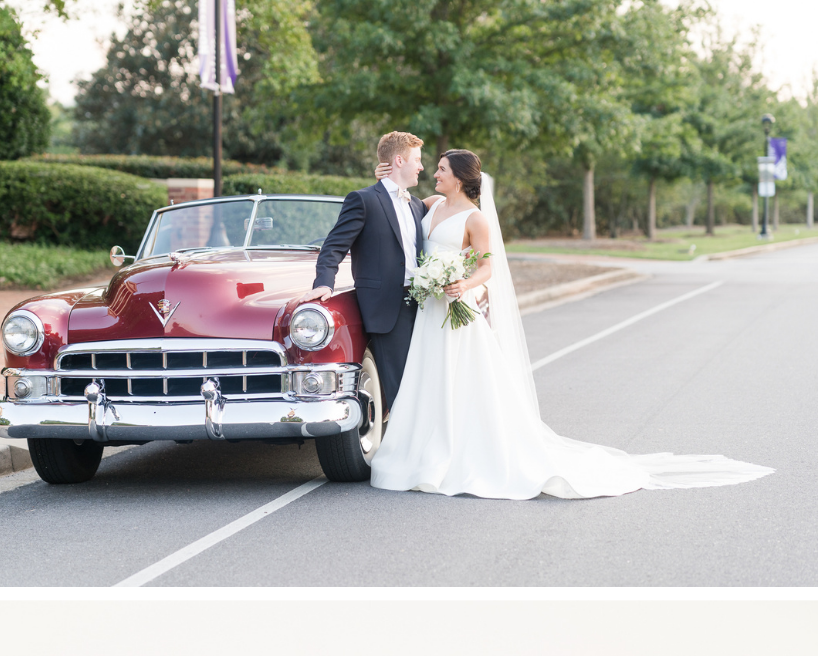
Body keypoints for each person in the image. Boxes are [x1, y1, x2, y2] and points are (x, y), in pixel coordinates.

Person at [369, 148, 773, 500]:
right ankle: (422, 451)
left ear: (458, 178)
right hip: (428, 313)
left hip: (457, 312)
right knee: (429, 381)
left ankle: (460, 452)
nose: (435, 174)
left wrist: (463, 284)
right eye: (434, 168)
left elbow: (488, 267)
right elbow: (397, 204)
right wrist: (385, 178)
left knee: (462, 382)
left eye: (441, 169)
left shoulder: (476, 219)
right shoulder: (429, 206)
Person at [311, 130, 432, 413]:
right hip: (387, 309)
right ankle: (403, 452)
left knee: (424, 382)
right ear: (399, 160)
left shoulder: (418, 206)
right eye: (417, 159)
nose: (422, 166)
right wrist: (324, 283)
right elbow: (333, 246)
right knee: (400, 388)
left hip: (424, 307)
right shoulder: (363, 200)